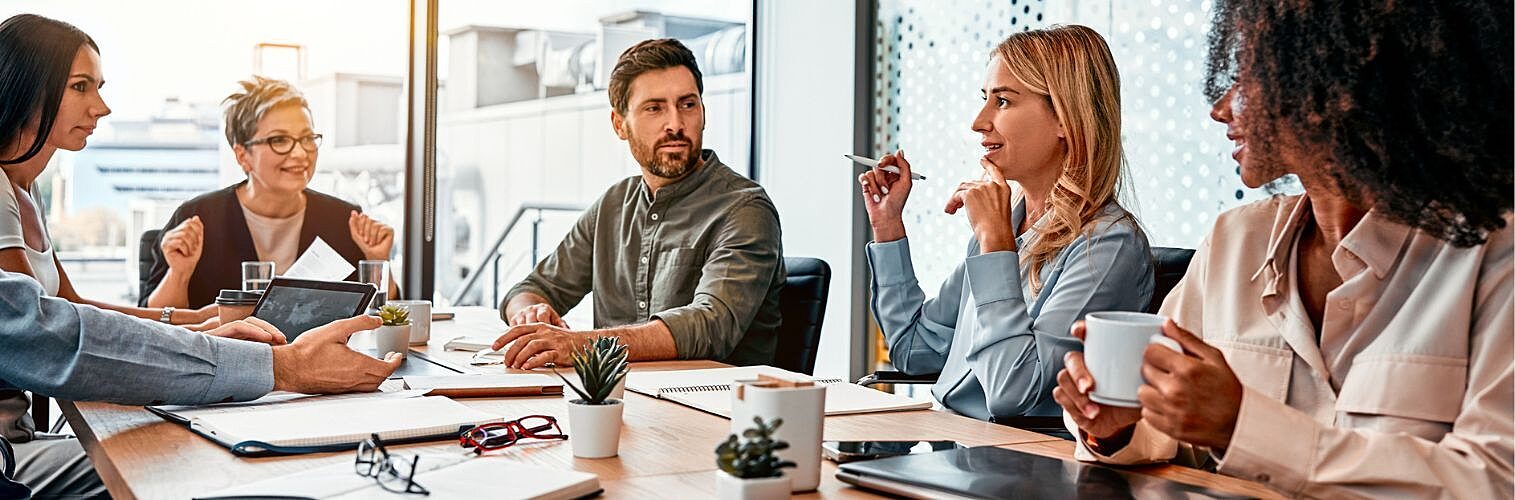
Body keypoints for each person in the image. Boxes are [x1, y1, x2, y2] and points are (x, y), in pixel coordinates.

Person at [1051, 1, 1512, 497]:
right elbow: (1165, 437)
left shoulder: (1495, 254)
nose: (1220, 108)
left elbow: (1493, 480)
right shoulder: (1235, 241)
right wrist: (1118, 424)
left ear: (1340, 83)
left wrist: (1241, 427)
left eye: (1248, 75)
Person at [858, 25, 1152, 421]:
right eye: (985, 99)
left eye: (1003, 102)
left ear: (1065, 118)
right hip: (953, 442)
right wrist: (888, 226)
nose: (979, 122)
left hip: (1016, 464)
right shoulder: (1010, 225)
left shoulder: (1108, 245)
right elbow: (915, 349)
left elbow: (1013, 393)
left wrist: (996, 244)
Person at [492, 38, 784, 369]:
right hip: (616, 399)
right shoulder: (613, 206)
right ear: (620, 124)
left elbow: (711, 325)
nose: (675, 124)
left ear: (703, 112)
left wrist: (580, 345)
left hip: (713, 408)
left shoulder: (745, 210)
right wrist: (530, 314)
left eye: (687, 104)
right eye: (654, 108)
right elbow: (531, 288)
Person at [141, 76, 398, 310]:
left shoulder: (343, 219)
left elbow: (386, 318)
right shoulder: (198, 217)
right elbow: (152, 325)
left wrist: (377, 261)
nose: (300, 153)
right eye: (280, 140)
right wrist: (179, 273)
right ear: (243, 156)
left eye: (307, 138)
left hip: (319, 360)